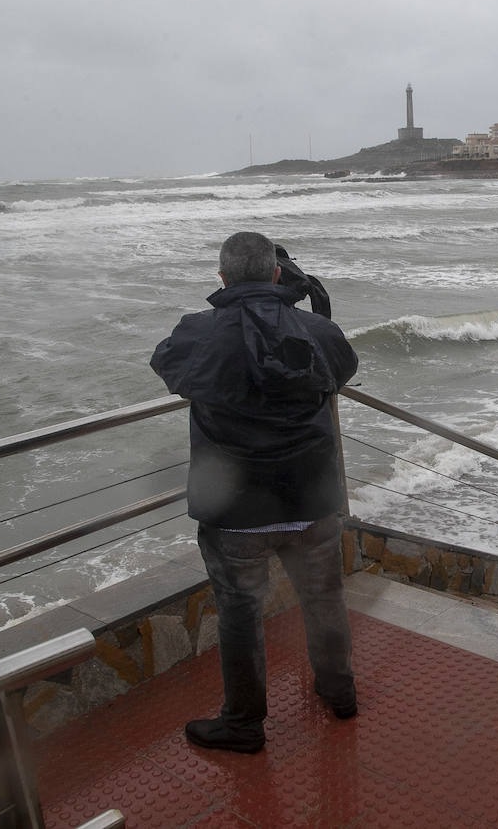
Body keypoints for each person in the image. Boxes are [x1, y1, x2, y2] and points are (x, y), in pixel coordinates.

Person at [150, 230, 359, 753]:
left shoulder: (198, 332)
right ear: (276, 274)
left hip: (236, 512)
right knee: (325, 599)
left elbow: (166, 363)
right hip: (311, 502)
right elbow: (343, 369)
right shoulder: (316, 331)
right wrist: (298, 300)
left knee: (240, 618)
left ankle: (244, 724)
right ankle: (339, 691)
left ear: (221, 279)